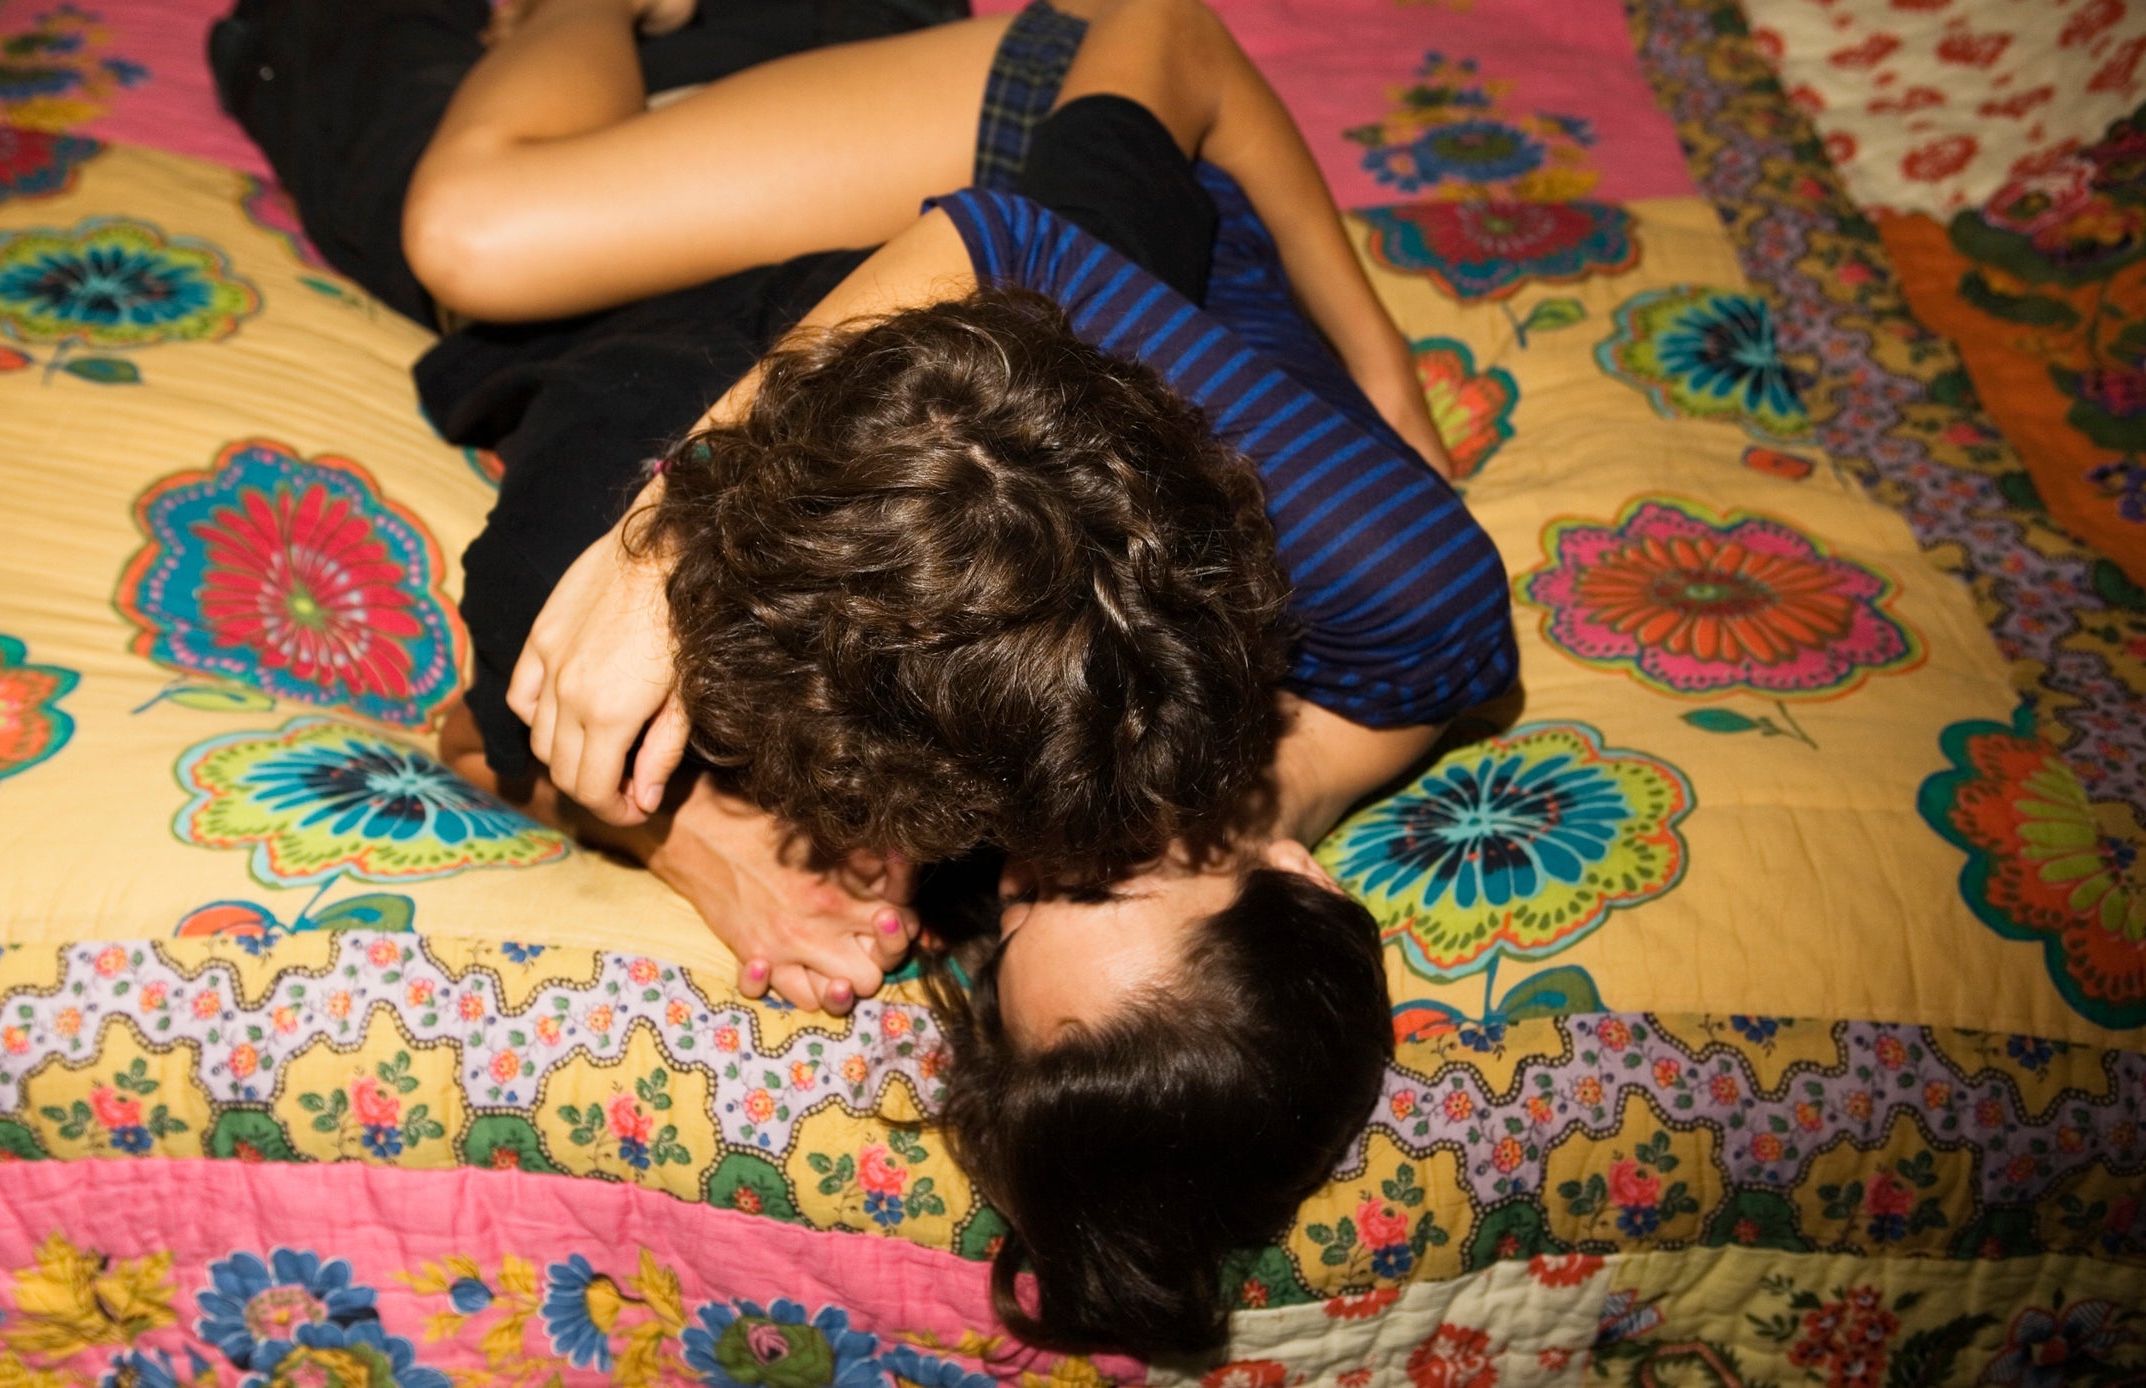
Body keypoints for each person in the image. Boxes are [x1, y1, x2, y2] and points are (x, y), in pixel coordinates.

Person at [210, 0, 1516, 1354]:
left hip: (840, 329)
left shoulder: (994, 843)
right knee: (474, 238)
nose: (1032, 861)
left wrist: (691, 844)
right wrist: (1380, 363)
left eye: (1014, 925)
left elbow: (485, 735)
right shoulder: (1402, 602)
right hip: (1009, 158)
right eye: (1107, 874)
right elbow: (1121, 92)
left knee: (326, 75)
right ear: (1302, 879)